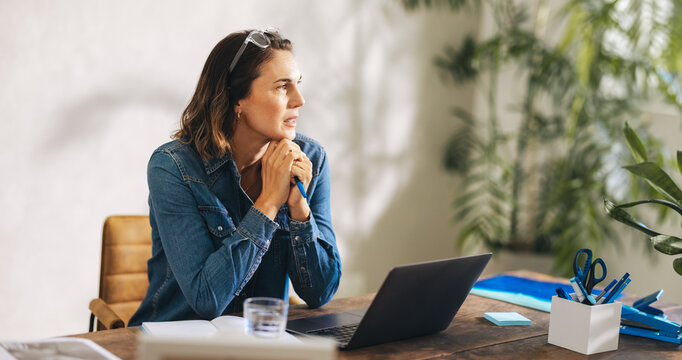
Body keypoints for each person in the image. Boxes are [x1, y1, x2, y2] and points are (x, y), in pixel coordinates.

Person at [128, 28, 341, 325]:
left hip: (258, 343)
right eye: (282, 87)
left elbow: (320, 292)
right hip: (173, 342)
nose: (299, 100)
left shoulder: (309, 159)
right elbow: (207, 299)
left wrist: (298, 210)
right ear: (236, 99)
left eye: (298, 84)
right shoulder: (173, 167)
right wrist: (268, 203)